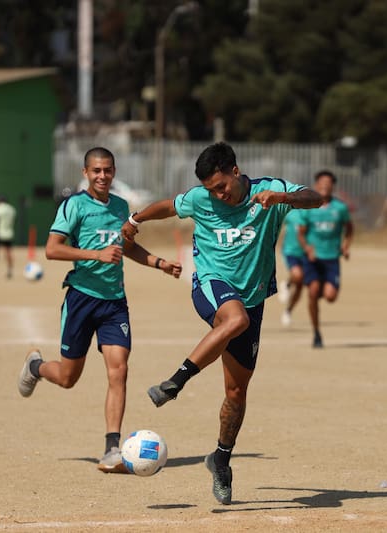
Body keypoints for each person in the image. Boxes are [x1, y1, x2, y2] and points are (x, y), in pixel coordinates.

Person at [120, 142, 322, 504]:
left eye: (221, 186)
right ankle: (175, 382)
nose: (218, 194)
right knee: (235, 318)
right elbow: (170, 206)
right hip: (212, 284)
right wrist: (136, 220)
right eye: (211, 189)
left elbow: (315, 197)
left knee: (236, 392)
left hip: (253, 296)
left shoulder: (268, 191)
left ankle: (221, 459)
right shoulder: (201, 199)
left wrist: (281, 198)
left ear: (235, 171)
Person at [16, 147, 182, 473]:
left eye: (107, 170)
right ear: (85, 173)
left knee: (118, 370)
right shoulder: (74, 206)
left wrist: (159, 263)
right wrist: (96, 255)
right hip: (81, 298)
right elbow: (52, 250)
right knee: (67, 378)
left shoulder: (121, 207)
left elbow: (127, 247)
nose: (103, 176)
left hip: (114, 303)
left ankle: (111, 449)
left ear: (114, 170)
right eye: (96, 171)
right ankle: (36, 367)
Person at [297, 170, 353, 348]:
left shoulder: (340, 208)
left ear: (332, 186)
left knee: (330, 296)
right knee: (313, 292)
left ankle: (320, 287)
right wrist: (307, 248)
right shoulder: (309, 208)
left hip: (331, 258)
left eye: (328, 183)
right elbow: (301, 233)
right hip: (313, 259)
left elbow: (350, 228)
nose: (325, 186)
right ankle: (316, 332)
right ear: (316, 185)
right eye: (322, 183)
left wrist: (346, 245)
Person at [277, 208, 306, 327]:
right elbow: (282, 228)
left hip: (306, 253)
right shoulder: (291, 213)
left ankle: (288, 311)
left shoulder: (313, 212)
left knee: (299, 286)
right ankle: (287, 284)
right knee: (298, 275)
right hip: (290, 251)